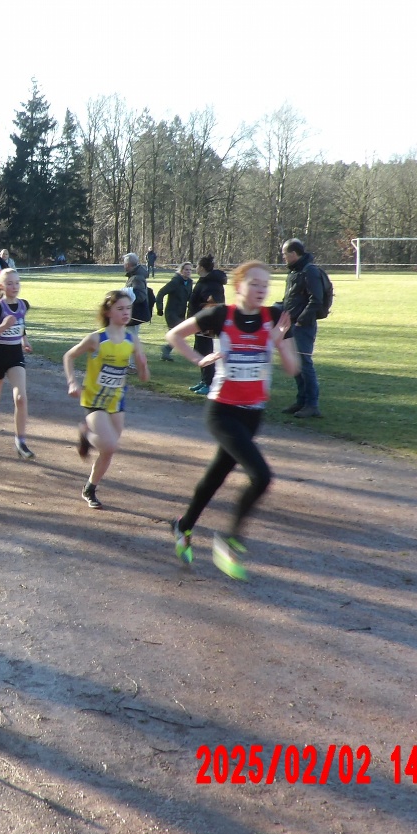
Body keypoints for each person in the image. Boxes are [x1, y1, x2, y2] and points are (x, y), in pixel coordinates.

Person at [164, 260, 300, 580]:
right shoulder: (220, 315)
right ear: (239, 286)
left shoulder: (275, 319)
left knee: (216, 476)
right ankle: (230, 542)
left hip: (253, 414)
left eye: (266, 284)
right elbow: (174, 335)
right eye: (254, 283)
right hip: (221, 411)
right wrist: (200, 358)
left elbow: (293, 368)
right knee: (262, 476)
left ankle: (183, 527)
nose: (261, 289)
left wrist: (278, 340)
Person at [63, 289, 150, 509]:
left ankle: (90, 488)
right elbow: (69, 356)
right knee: (110, 445)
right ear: (109, 312)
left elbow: (144, 377)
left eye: (128, 308)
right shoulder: (97, 339)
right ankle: (85, 433)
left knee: (107, 450)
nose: (125, 312)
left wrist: (142, 364)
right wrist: (72, 382)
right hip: (94, 399)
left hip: (116, 401)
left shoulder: (132, 340)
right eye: (120, 308)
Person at [0, 268, 35, 459]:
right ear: (1, 286)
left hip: (15, 356)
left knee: (21, 398)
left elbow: (21, 324)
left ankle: (20, 441)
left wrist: (24, 340)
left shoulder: (24, 305)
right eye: (10, 283)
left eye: (17, 283)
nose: (14, 287)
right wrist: (1, 327)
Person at [278, 238, 326, 418]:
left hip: (302, 326)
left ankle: (312, 404)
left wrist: (300, 320)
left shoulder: (309, 271)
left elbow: (316, 299)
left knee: (304, 364)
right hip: (290, 324)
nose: (283, 257)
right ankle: (301, 401)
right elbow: (291, 299)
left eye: (284, 254)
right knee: (296, 364)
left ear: (293, 253)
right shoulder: (295, 272)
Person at [186, 256, 227, 394]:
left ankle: (209, 383)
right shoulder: (204, 281)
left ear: (202, 268)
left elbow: (212, 305)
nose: (195, 269)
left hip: (207, 325)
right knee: (200, 350)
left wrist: (204, 322)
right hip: (199, 323)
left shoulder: (212, 284)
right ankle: (204, 380)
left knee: (207, 353)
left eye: (197, 266)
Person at [155, 263, 193, 361]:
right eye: (186, 270)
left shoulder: (189, 282)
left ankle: (166, 351)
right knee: (178, 333)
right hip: (172, 312)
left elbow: (189, 297)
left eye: (190, 270)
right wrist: (160, 308)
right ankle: (166, 350)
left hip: (181, 313)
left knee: (181, 333)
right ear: (181, 270)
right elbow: (161, 293)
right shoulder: (175, 282)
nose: (188, 272)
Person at [122, 253, 151, 326]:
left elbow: (140, 296)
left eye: (124, 263)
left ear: (128, 264)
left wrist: (126, 297)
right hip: (133, 314)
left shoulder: (137, 278)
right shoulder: (135, 276)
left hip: (135, 314)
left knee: (131, 336)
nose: (123, 266)